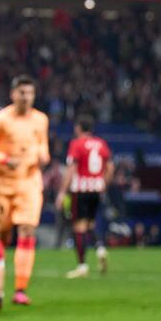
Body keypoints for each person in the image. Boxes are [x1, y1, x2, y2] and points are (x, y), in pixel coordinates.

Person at [0, 75, 49, 305]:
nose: (26, 97)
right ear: (13, 94)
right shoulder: (1, 120)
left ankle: (20, 290)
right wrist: (3, 159)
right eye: (22, 92)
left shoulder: (41, 119)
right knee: (2, 236)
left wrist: (44, 154)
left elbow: (42, 143)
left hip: (30, 183)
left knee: (27, 230)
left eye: (30, 93)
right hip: (3, 185)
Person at [56, 115, 113, 278]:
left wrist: (62, 192)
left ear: (78, 128)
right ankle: (100, 248)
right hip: (96, 189)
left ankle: (82, 266)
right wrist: (103, 184)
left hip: (81, 189)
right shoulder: (101, 144)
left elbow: (71, 169)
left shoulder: (76, 144)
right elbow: (110, 167)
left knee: (79, 227)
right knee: (91, 223)